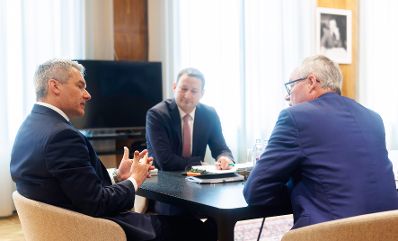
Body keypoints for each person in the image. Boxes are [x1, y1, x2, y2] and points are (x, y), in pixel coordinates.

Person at [10, 59, 217, 241]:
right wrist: (134, 180)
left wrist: (119, 176)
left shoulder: (30, 127)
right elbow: (98, 203)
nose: (88, 95)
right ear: (54, 86)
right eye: (80, 86)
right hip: (98, 229)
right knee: (203, 228)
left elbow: (76, 188)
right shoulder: (61, 137)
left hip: (66, 223)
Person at [243, 55, 398, 229]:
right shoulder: (373, 118)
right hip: (387, 230)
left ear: (311, 82)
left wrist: (299, 193)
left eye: (291, 87)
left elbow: (255, 190)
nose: (287, 97)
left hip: (333, 232)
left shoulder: (295, 117)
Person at [145, 67, 234, 171]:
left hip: (197, 179)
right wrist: (199, 164)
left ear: (202, 94)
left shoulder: (209, 114)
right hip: (162, 178)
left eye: (194, 91)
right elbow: (165, 161)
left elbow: (221, 148)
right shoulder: (157, 115)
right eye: (184, 89)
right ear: (174, 87)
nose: (187, 95)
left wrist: (225, 158)